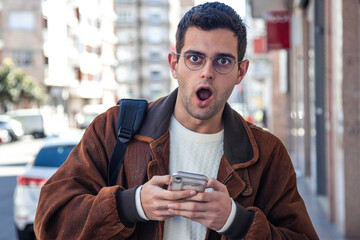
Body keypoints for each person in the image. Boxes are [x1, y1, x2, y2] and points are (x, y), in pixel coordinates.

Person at [34, 2, 319, 239]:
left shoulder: (266, 154)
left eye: (222, 61)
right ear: (174, 65)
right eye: (195, 58)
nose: (206, 72)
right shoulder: (112, 129)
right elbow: (50, 222)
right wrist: (130, 205)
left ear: (240, 72)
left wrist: (237, 221)